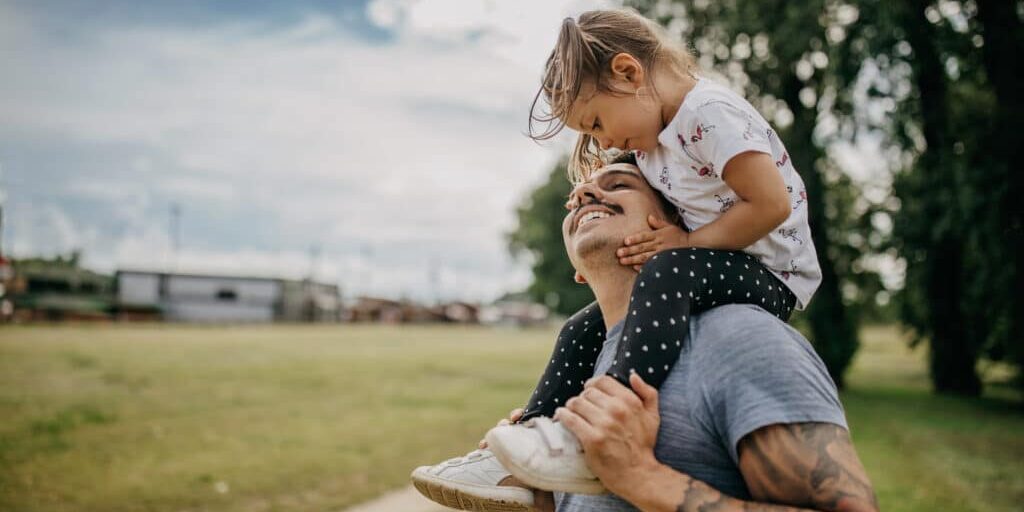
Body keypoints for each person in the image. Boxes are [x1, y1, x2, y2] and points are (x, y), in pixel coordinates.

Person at [413, 158, 878, 511]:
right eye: (576, 199)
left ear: (678, 228)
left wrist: (640, 475)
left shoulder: (741, 339)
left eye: (618, 185)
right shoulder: (586, 358)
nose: (589, 195)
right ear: (576, 269)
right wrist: (547, 493)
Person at [486, 7, 823, 491]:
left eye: (597, 121)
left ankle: (609, 421)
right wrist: (588, 196)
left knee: (669, 268)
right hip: (716, 261)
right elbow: (621, 192)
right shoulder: (654, 140)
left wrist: (685, 243)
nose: (601, 139)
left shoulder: (709, 113)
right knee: (581, 327)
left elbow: (769, 205)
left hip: (771, 272)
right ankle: (526, 444)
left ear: (628, 72)